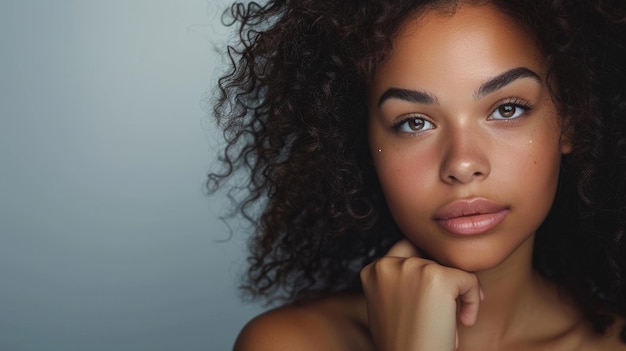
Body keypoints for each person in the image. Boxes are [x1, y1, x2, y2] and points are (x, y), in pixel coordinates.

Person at [209, 0, 626, 349]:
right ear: (360, 141)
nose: (462, 164)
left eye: (507, 109)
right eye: (414, 123)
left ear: (571, 122)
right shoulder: (292, 342)